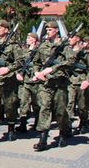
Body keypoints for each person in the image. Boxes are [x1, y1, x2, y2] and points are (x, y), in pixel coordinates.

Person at [31, 20, 74, 151]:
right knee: (44, 108)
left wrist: (53, 68)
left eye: (50, 30)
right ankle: (42, 140)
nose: (48, 32)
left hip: (60, 84)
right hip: (45, 84)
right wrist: (37, 72)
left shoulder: (65, 46)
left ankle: (62, 134)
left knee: (61, 112)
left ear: (56, 30)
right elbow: (36, 61)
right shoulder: (43, 46)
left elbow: (71, 60)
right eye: (47, 30)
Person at [16, 33, 41, 132]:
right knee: (23, 102)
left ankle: (37, 123)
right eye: (27, 37)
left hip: (35, 81)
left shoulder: (39, 51)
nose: (27, 39)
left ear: (34, 40)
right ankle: (23, 124)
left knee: (36, 103)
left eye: (29, 38)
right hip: (25, 81)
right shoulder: (24, 51)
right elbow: (19, 63)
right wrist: (18, 73)